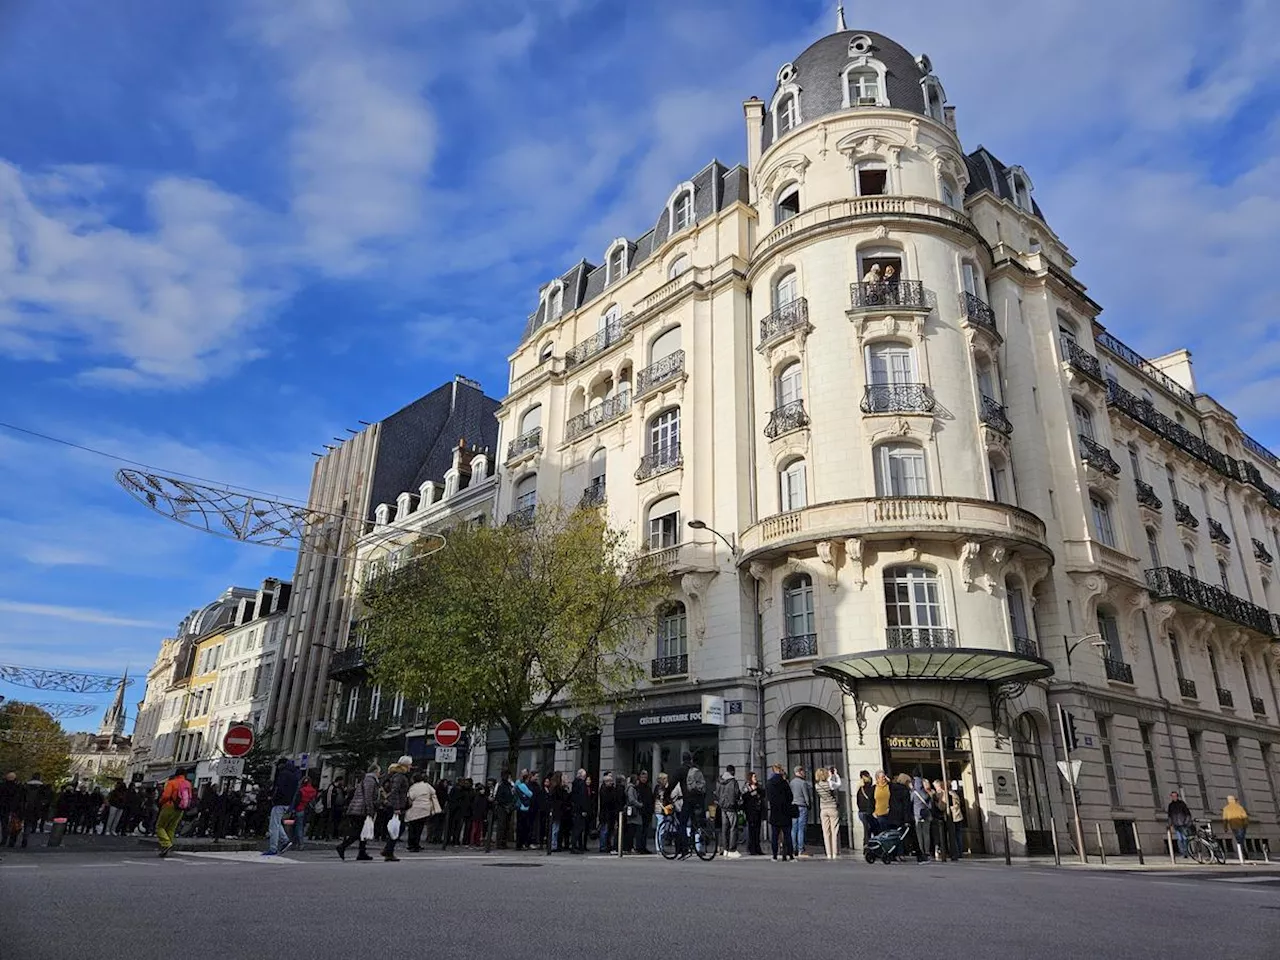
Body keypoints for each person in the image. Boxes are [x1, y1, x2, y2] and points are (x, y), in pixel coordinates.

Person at [336, 762, 380, 861]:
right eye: (378, 772)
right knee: (358, 831)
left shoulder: (365, 779)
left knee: (362, 831)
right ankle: (342, 846)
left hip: (357, 808)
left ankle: (362, 852)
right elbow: (368, 796)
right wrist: (370, 810)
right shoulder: (370, 780)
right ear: (375, 771)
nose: (379, 774)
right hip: (361, 809)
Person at [264, 757, 301, 856]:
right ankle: (285, 840)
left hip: (279, 802)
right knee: (277, 823)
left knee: (273, 825)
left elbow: (278, 788)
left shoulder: (283, 774)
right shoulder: (294, 775)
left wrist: (272, 798)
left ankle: (273, 847)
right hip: (288, 803)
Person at [155, 767, 192, 858]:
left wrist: (160, 802)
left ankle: (166, 844)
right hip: (181, 808)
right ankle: (167, 847)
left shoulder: (172, 783)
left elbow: (166, 796)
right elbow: (190, 796)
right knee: (171, 828)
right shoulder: (188, 784)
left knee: (160, 826)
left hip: (169, 805)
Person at [380, 756, 412, 861]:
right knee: (398, 828)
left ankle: (388, 850)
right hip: (396, 806)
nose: (411, 766)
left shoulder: (395, 775)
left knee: (396, 828)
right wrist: (397, 807)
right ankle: (388, 851)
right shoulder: (400, 776)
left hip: (394, 805)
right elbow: (395, 791)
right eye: (410, 764)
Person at [889, 773, 925, 862]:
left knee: (894, 836)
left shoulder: (892, 789)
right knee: (911, 836)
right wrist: (907, 819)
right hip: (903, 817)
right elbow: (906, 806)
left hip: (893, 816)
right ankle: (919, 855)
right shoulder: (905, 791)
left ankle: (893, 854)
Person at [405, 772, 441, 853]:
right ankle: (416, 844)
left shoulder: (413, 787)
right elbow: (433, 792)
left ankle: (411, 844)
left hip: (414, 808)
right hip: (425, 809)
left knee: (412, 827)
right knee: (419, 828)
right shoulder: (427, 786)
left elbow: (410, 797)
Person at [766, 763, 794, 861]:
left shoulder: (769, 783)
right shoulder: (784, 782)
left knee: (775, 835)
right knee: (787, 835)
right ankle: (789, 855)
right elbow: (790, 797)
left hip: (775, 811)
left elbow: (768, 797)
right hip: (785, 811)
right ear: (780, 770)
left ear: (773, 770)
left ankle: (774, 855)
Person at [814, 768, 840, 860]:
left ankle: (828, 853)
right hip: (832, 808)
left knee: (826, 832)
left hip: (823, 809)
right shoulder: (830, 784)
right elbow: (838, 784)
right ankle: (835, 852)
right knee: (834, 831)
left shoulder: (817, 786)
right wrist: (835, 775)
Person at [716, 764, 742, 858]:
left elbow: (717, 793)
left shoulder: (719, 780)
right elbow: (736, 793)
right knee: (733, 827)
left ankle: (725, 849)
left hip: (722, 806)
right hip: (731, 806)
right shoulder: (733, 781)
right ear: (732, 771)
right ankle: (732, 849)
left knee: (724, 828)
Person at [20, 773, 51, 848]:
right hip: (36, 808)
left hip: (26, 807)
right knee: (30, 823)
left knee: (26, 823)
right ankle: (27, 835)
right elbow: (45, 798)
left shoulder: (26, 787)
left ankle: (24, 836)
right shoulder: (42, 788)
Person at [789, 765, 814, 857]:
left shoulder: (791, 783)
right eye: (803, 772)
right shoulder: (803, 783)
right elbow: (806, 796)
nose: (804, 773)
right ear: (800, 772)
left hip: (793, 806)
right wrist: (809, 804)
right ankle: (801, 849)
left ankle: (793, 848)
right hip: (802, 806)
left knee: (793, 828)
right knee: (801, 828)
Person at [910, 775, 932, 861]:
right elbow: (930, 804)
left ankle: (921, 850)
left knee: (919, 834)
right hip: (926, 814)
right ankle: (927, 851)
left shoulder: (914, 793)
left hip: (917, 815)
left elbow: (910, 803)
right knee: (926, 834)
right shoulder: (925, 792)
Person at [292, 775, 318, 850]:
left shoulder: (301, 790)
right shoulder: (313, 791)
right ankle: (298, 843)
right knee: (302, 827)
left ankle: (299, 843)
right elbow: (313, 801)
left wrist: (293, 809)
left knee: (297, 826)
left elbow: (297, 801)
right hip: (308, 810)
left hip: (299, 809)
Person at [742, 771, 764, 855]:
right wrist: (753, 793)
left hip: (758, 810)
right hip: (750, 812)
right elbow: (744, 797)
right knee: (751, 830)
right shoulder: (746, 787)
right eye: (754, 777)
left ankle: (758, 848)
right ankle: (752, 848)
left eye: (756, 777)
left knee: (757, 830)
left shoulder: (758, 786)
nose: (755, 778)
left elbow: (763, 794)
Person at [1167, 790, 1194, 859]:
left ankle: (1187, 852)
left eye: (1175, 796)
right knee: (1180, 839)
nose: (1174, 797)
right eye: (1172, 796)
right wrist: (1170, 824)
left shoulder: (1182, 804)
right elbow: (1170, 815)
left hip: (1183, 823)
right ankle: (1183, 852)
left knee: (1185, 839)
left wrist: (1186, 822)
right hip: (1176, 824)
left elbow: (1187, 813)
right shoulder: (1171, 805)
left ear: (1177, 796)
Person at [569, 769, 589, 853]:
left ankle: (575, 845)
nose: (585, 778)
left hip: (576, 808)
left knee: (577, 828)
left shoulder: (575, 783)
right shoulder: (581, 784)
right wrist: (584, 809)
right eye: (584, 776)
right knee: (578, 828)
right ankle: (574, 846)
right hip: (580, 809)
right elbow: (582, 798)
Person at [634, 770, 653, 854]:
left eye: (645, 777)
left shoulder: (648, 787)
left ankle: (643, 846)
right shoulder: (638, 788)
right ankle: (639, 847)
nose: (644, 779)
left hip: (647, 812)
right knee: (640, 831)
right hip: (641, 811)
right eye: (643, 777)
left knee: (645, 831)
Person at [623, 774, 643, 854]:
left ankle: (630, 847)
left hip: (634, 811)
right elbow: (631, 800)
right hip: (633, 812)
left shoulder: (632, 788)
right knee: (632, 830)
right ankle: (629, 847)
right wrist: (639, 804)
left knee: (632, 830)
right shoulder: (631, 788)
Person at [652, 772, 671, 855]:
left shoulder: (662, 787)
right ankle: (659, 847)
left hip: (663, 809)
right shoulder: (660, 788)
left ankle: (661, 846)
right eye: (666, 778)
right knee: (660, 828)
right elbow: (661, 798)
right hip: (660, 810)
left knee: (663, 828)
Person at [0, 772, 20, 848]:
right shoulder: (17, 787)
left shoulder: (2, 786)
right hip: (14, 809)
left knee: (4, 825)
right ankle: (12, 841)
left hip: (3, 808)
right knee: (14, 825)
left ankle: (4, 839)